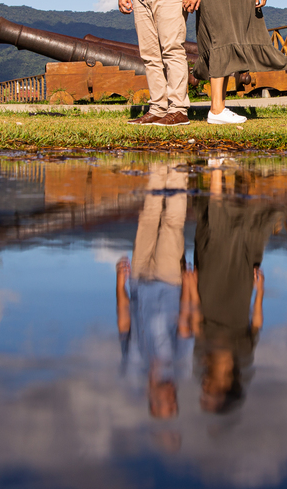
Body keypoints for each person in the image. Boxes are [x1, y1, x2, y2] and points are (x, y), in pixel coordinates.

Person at [188, 166, 276, 414]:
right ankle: (226, 173)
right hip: (239, 288)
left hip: (209, 287)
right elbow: (256, 324)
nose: (205, 385)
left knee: (215, 234)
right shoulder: (243, 352)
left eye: (204, 390)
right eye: (209, 391)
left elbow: (196, 322)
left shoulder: (203, 355)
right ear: (224, 386)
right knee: (238, 237)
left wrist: (192, 287)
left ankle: (217, 170)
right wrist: (260, 292)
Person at [116, 162, 195, 418]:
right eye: (175, 404)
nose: (173, 399)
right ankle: (178, 170)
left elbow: (124, 324)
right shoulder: (181, 368)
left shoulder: (133, 366)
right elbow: (185, 325)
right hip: (170, 283)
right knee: (172, 224)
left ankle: (159, 167)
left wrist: (119, 284)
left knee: (148, 219)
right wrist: (189, 287)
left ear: (153, 401)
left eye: (167, 405)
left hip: (138, 281)